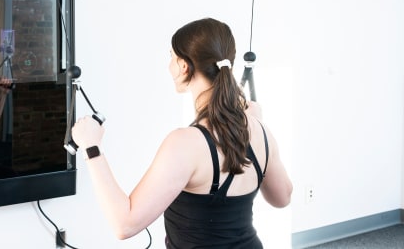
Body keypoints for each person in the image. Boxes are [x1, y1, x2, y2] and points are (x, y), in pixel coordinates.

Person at [71, 18, 293, 248]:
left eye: (171, 57)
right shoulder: (260, 130)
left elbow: (124, 225)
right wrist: (257, 126)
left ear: (184, 66)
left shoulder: (185, 144)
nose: (169, 65)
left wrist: (91, 146)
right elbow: (282, 198)